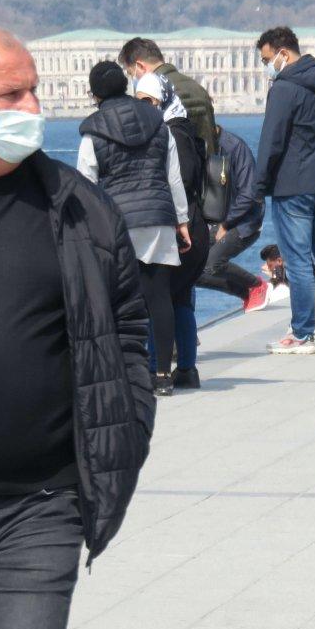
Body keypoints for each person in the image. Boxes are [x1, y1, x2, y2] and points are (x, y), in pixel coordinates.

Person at [0, 26, 154, 629]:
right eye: (10, 95)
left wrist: (122, 432)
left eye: (36, 90)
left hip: (37, 505)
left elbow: (127, 333)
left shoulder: (81, 209)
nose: (33, 108)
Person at [78, 62, 191, 397]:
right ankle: (161, 376)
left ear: (95, 93)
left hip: (117, 225)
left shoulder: (93, 130)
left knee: (116, 302)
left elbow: (87, 184)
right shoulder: (158, 122)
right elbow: (173, 177)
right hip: (157, 219)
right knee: (159, 298)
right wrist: (182, 220)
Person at [254, 26, 315, 355]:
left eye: (268, 59)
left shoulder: (283, 89)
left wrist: (258, 185)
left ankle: (303, 333)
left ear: (283, 53)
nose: (267, 66)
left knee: (297, 261)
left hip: (292, 184)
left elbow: (272, 141)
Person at [135, 72, 211, 389]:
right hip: (190, 225)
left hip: (181, 226)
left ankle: (158, 367)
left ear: (162, 99)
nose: (145, 108)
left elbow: (181, 180)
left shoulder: (170, 134)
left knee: (158, 298)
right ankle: (188, 369)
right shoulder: (182, 128)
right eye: (139, 102)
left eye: (149, 101)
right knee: (179, 299)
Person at [196, 124, 270, 312]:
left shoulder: (235, 147)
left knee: (213, 263)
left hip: (245, 221)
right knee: (192, 271)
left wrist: (226, 224)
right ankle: (245, 293)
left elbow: (249, 194)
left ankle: (256, 285)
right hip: (216, 220)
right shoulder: (199, 147)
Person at [119, 36, 217, 156]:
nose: (134, 79)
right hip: (208, 168)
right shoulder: (198, 88)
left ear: (140, 66)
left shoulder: (152, 95)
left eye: (131, 73)